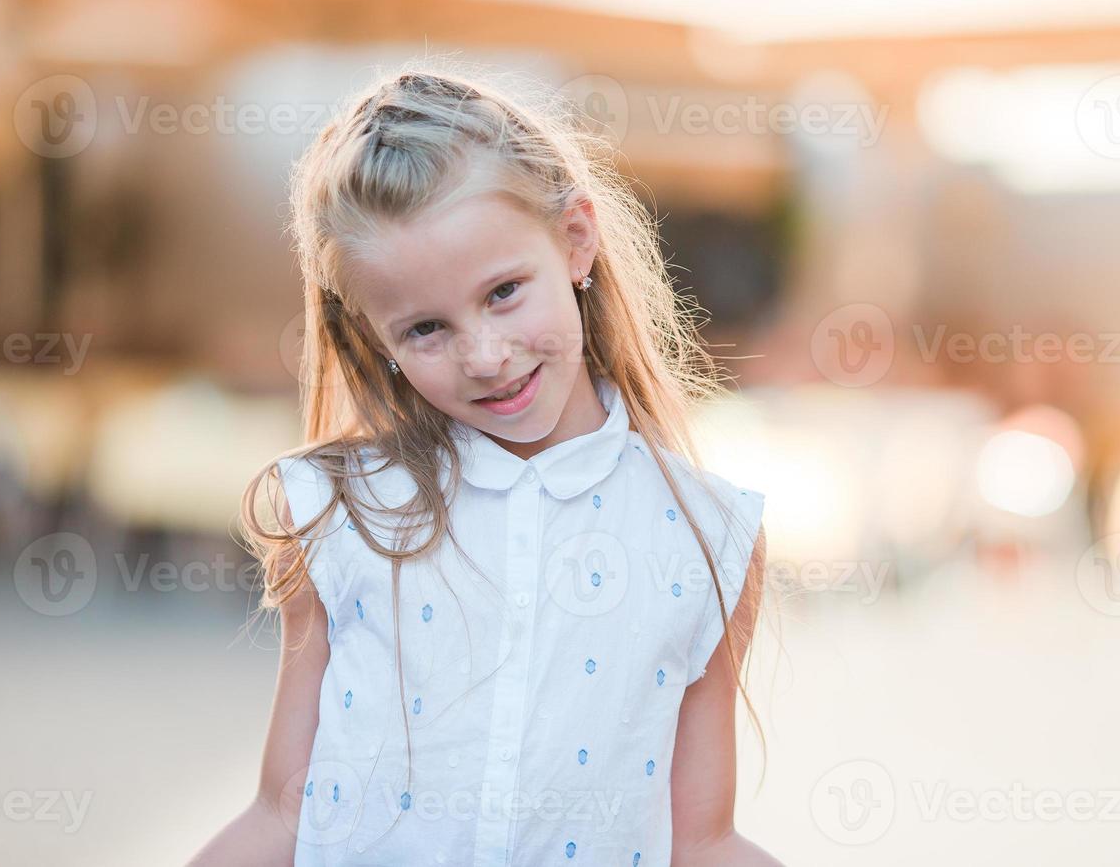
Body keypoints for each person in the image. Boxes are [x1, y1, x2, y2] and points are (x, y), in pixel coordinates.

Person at [190, 64, 779, 866]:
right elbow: (280, 814)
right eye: (426, 329)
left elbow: (703, 843)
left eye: (504, 291)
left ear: (576, 240)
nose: (486, 356)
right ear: (375, 339)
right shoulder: (337, 512)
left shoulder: (709, 537)